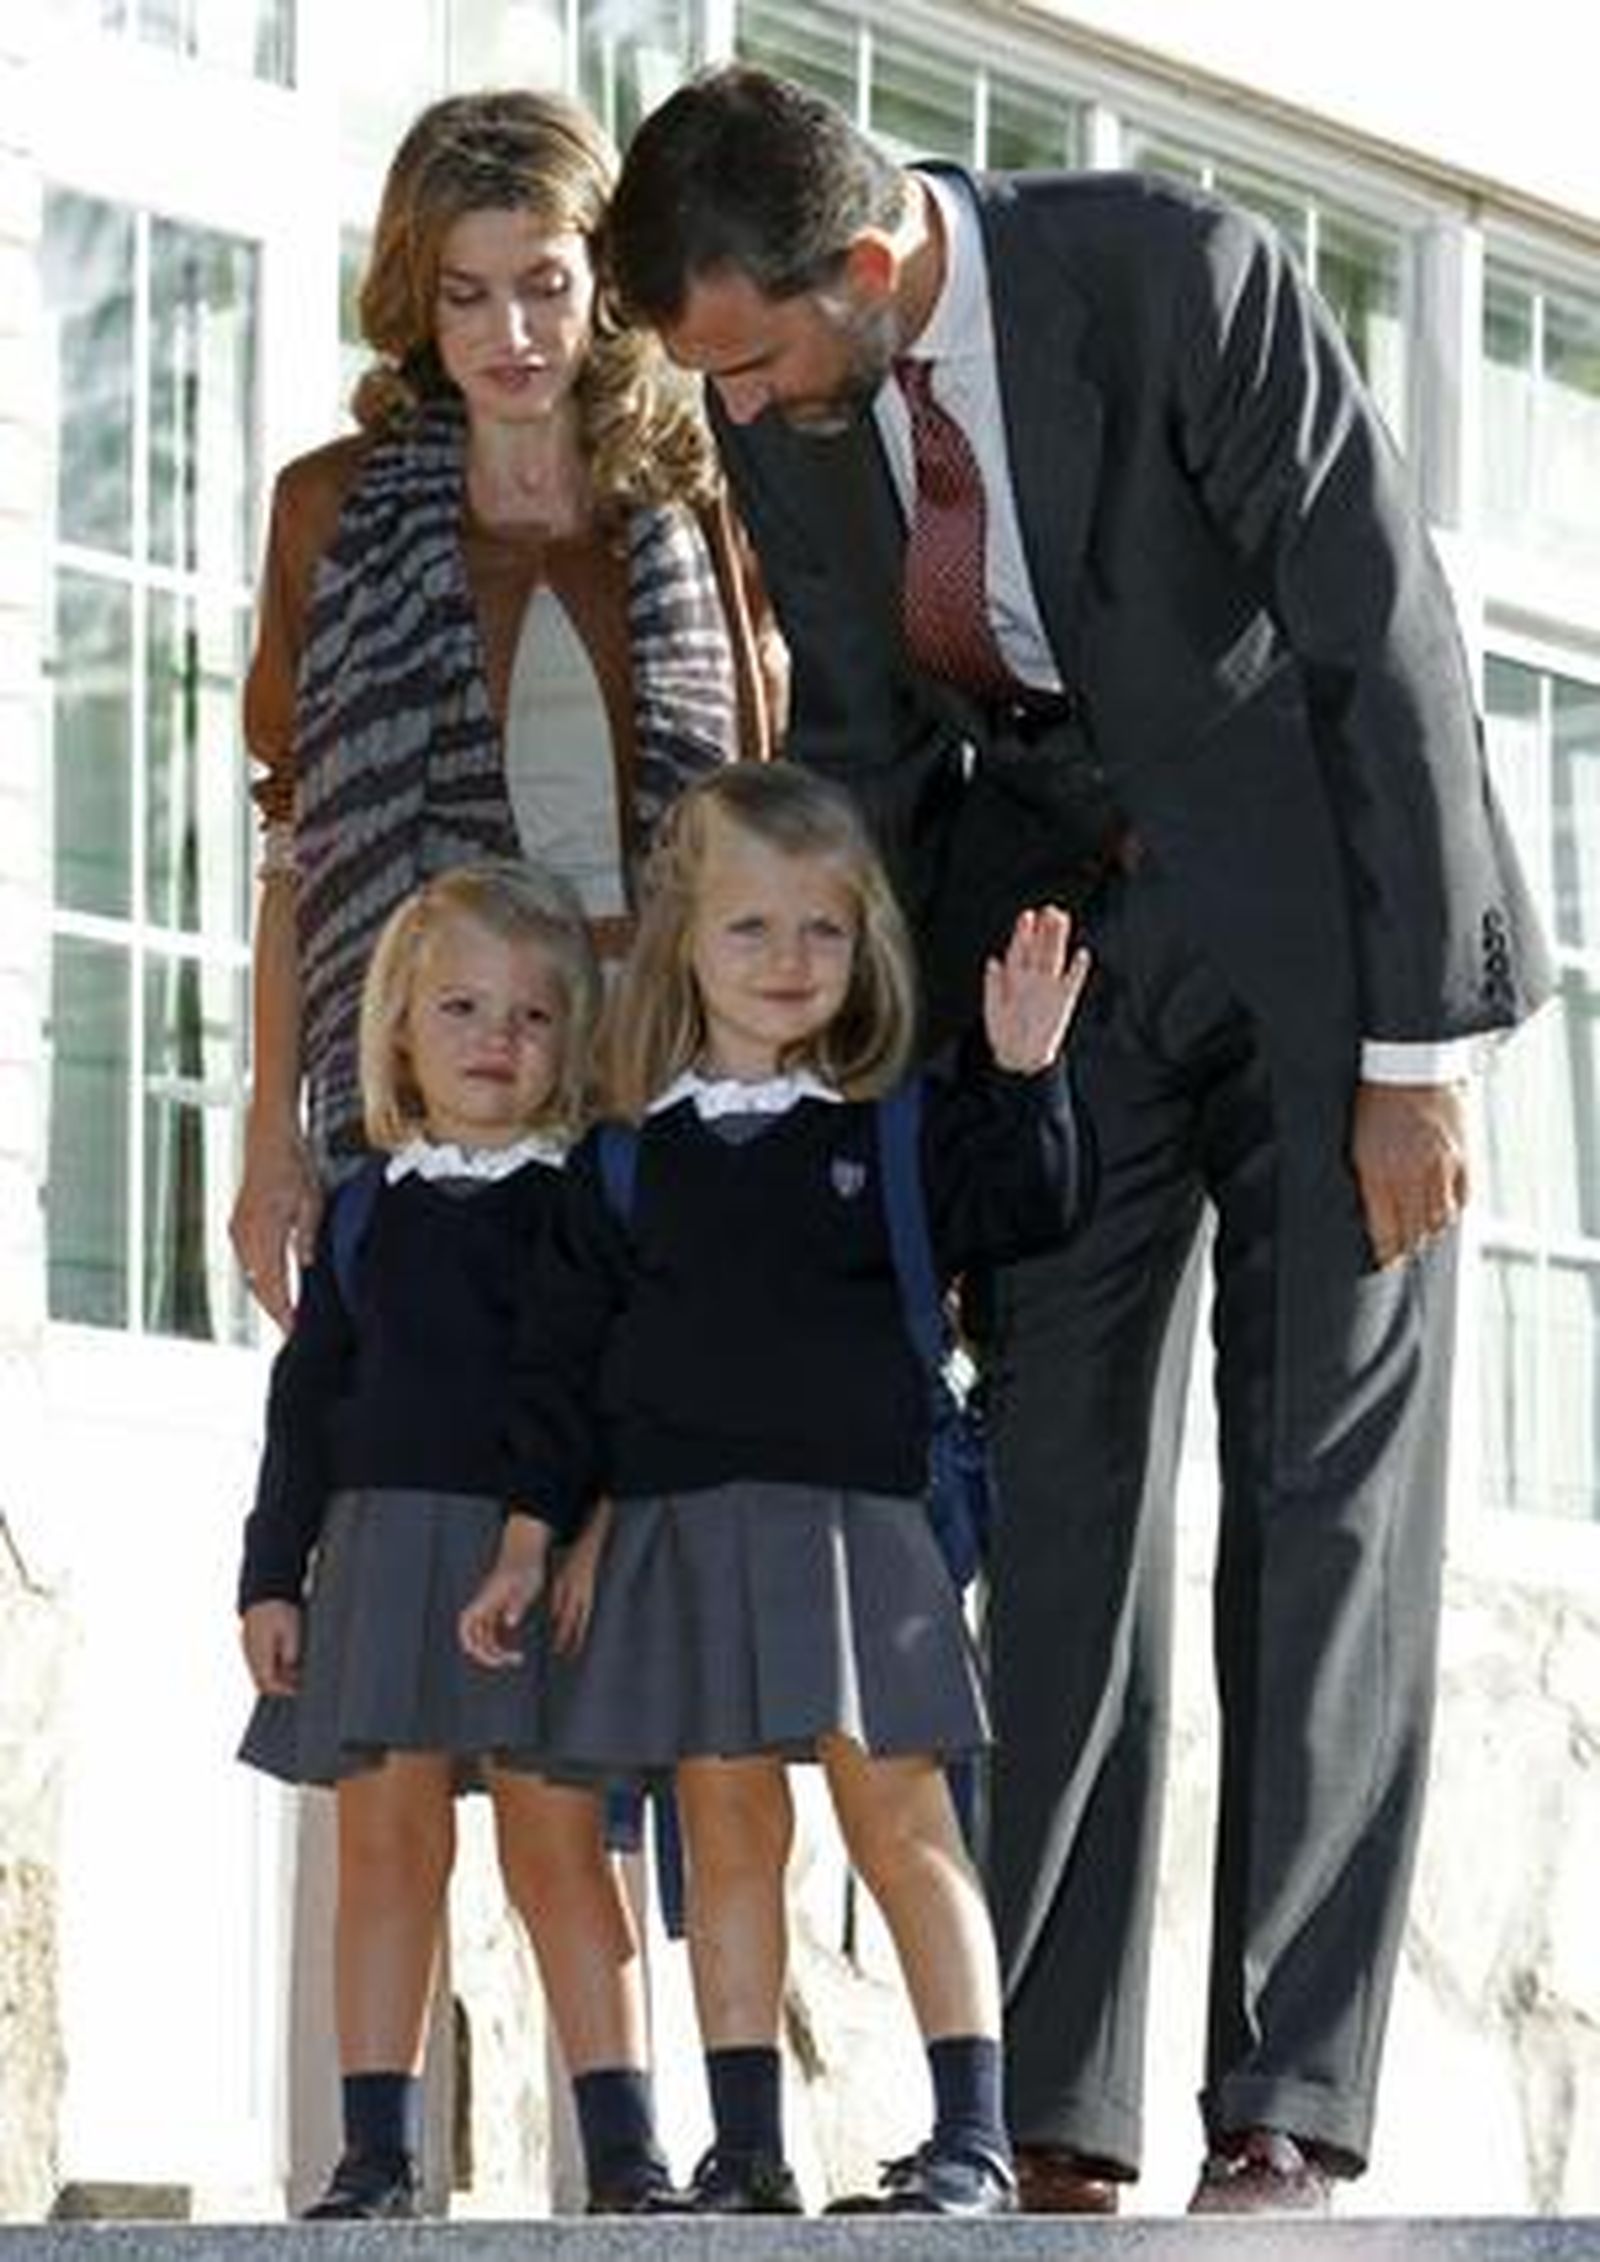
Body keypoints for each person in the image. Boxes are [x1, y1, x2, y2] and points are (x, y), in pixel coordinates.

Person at [599, 66, 1554, 2217]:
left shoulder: (1181, 281)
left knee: (1319, 1513)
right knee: (1047, 1502)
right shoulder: (785, 410)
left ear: (864, 269)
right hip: (1047, 964)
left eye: (747, 359)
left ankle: (1282, 2112)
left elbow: (1380, 630)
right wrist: (876, 1123)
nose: (732, 410)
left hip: (1322, 944)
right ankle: (1042, 2120)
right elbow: (857, 748)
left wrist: (1415, 1053)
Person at [459, 764, 1089, 2217]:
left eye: (823, 928)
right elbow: (560, 1375)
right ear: (681, 941)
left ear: (865, 943)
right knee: (727, 1832)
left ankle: (973, 2138)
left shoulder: (894, 1126)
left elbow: (1032, 1204)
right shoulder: (623, 1165)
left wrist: (1025, 1075)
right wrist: (526, 1542)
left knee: (901, 1823)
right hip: (680, 1535)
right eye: (750, 927)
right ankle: (746, 2152)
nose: (789, 958)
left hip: (859, 1530)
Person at [230, 86, 774, 1332]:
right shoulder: (331, 511)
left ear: (605, 284)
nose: (510, 333)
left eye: (543, 284)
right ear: (419, 306)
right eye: (465, 295)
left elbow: (777, 810)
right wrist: (270, 1136)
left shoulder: (700, 504)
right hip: (439, 1091)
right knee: (443, 1423)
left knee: (655, 1430)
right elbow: (295, 851)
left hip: (664, 1065)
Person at [236, 860, 674, 2221]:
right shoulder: (367, 1208)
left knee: (560, 1850)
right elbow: (303, 1409)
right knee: (386, 1852)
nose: (498, 1038)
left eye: (534, 1016)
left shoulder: (584, 1203)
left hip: (528, 1555)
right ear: (399, 1031)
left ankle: (627, 2153)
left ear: (572, 1040)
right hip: (377, 1554)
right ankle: (375, 2154)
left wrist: (587, 1541)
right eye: (464, 1008)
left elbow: (611, 1392)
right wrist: (271, 1575)